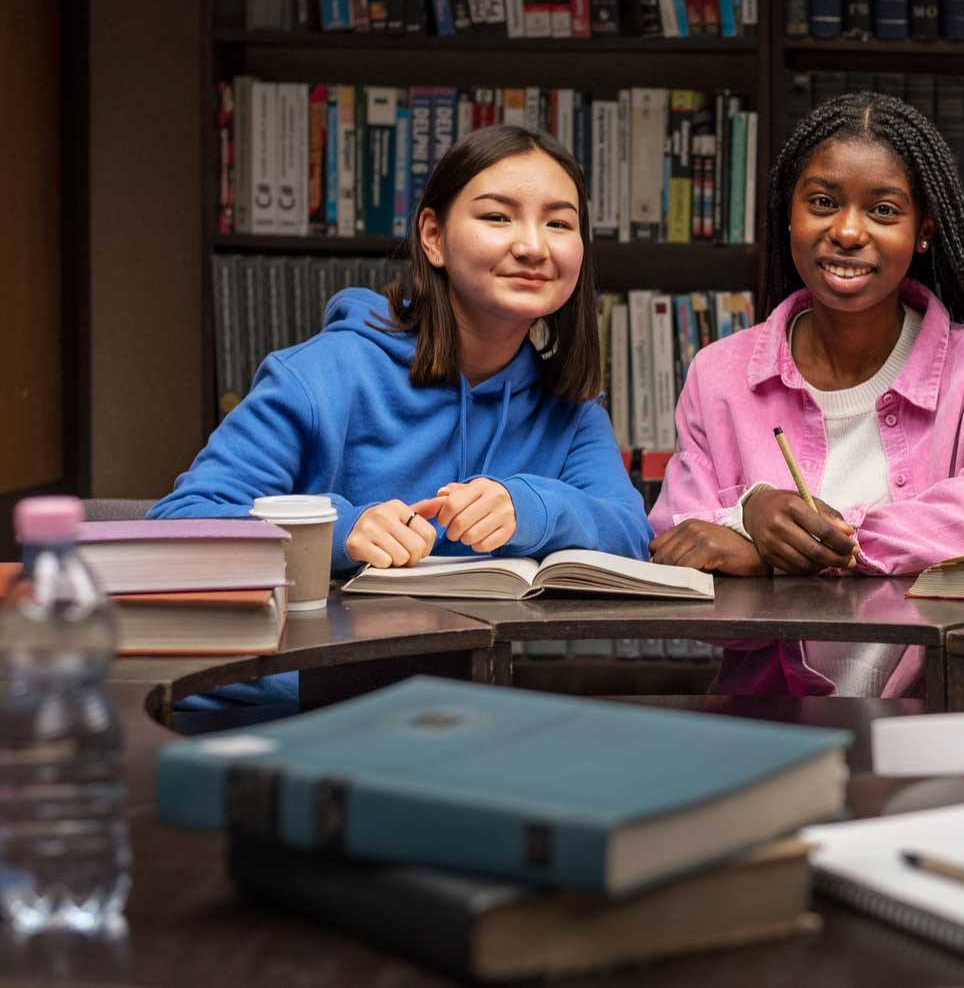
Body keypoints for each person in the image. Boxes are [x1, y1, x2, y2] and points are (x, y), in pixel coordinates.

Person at [150, 125, 650, 705]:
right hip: (268, 706)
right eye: (497, 217)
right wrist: (338, 530)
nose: (534, 246)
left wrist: (533, 505)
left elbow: (632, 537)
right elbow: (180, 521)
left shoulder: (571, 409)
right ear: (433, 237)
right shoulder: (323, 374)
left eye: (559, 223)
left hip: (443, 717)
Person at [648, 92, 964, 696]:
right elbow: (678, 549)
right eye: (822, 202)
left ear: (923, 231)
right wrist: (749, 514)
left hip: (934, 724)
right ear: (787, 216)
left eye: (883, 210)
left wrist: (814, 544)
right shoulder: (720, 375)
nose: (846, 231)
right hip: (768, 725)